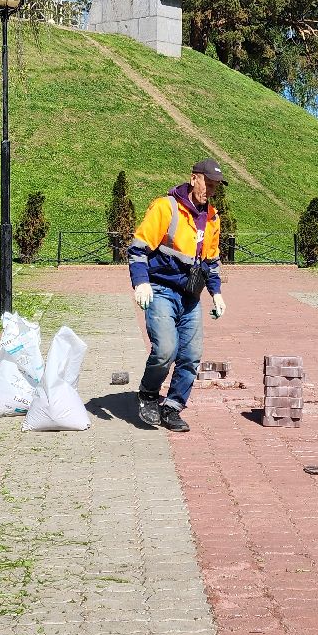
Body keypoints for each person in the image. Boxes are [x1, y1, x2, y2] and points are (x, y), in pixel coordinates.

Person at [128, 159, 227, 431]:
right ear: (194, 179)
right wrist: (141, 283)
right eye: (208, 183)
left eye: (216, 186)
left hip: (190, 296)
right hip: (161, 290)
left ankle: (172, 407)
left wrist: (216, 293)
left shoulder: (212, 218)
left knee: (191, 355)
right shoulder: (166, 208)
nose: (211, 190)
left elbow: (211, 261)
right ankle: (149, 395)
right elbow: (138, 249)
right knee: (165, 350)